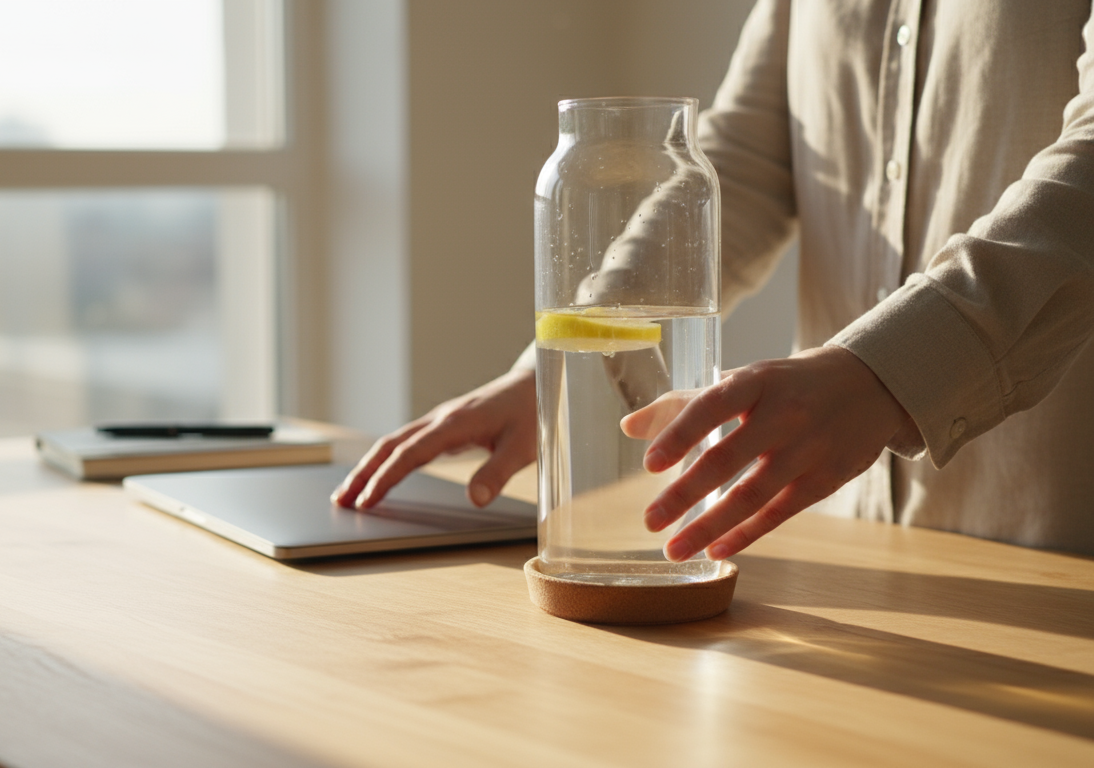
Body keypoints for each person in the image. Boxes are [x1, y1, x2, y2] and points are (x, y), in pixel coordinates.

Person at [333, 0, 1094, 558]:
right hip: (850, 542)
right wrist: (571, 358)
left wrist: (885, 375)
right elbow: (747, 162)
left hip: (1057, 531)